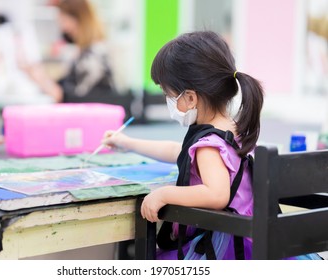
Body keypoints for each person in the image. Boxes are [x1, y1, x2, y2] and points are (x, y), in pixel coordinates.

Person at [102, 31, 321, 260]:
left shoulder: (208, 147)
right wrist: (126, 142)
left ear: (190, 98)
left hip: (229, 247)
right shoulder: (233, 130)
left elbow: (217, 195)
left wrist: (164, 193)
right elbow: (176, 151)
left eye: (168, 94)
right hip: (255, 241)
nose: (168, 101)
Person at [22, 0, 116, 103]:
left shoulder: (95, 54)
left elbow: (74, 98)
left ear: (77, 19)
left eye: (63, 20)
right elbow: (64, 86)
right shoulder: (82, 52)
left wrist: (42, 80)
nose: (62, 28)